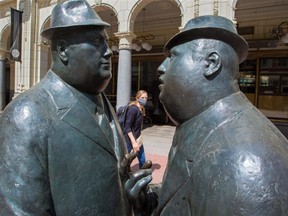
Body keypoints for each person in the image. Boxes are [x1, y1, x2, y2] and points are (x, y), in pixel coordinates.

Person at [126, 15, 288, 215]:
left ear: (211, 63)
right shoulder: (198, 125)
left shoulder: (244, 163)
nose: (161, 67)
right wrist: (151, 201)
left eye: (173, 57)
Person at [0, 0, 136, 215]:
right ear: (63, 50)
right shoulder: (26, 115)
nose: (109, 52)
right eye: (97, 42)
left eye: (107, 43)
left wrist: (130, 195)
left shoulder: (103, 103)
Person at [125, 90, 152, 169]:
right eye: (142, 97)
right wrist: (133, 142)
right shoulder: (133, 109)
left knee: (142, 160)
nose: (144, 100)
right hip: (130, 140)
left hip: (138, 139)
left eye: (146, 98)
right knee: (125, 161)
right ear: (137, 98)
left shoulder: (141, 110)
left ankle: (142, 176)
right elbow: (127, 127)